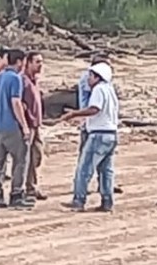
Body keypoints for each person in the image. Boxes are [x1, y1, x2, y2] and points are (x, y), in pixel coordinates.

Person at [55, 62, 120, 213]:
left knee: (84, 168)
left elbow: (94, 109)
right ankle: (107, 201)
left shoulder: (98, 90)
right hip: (111, 133)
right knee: (106, 170)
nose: (88, 79)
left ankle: (79, 200)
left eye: (91, 76)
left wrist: (74, 114)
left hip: (98, 133)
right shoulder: (110, 90)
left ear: (98, 77)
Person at [0, 49, 31, 210]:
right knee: (20, 160)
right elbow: (16, 102)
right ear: (19, 62)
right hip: (12, 126)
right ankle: (16, 195)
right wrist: (24, 126)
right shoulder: (16, 79)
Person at [22, 51, 45, 202]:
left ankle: (31, 185)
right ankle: (27, 188)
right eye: (37, 61)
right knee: (27, 156)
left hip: (36, 124)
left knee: (37, 155)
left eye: (41, 61)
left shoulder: (33, 81)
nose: (40, 64)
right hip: (29, 124)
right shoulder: (23, 81)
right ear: (28, 63)